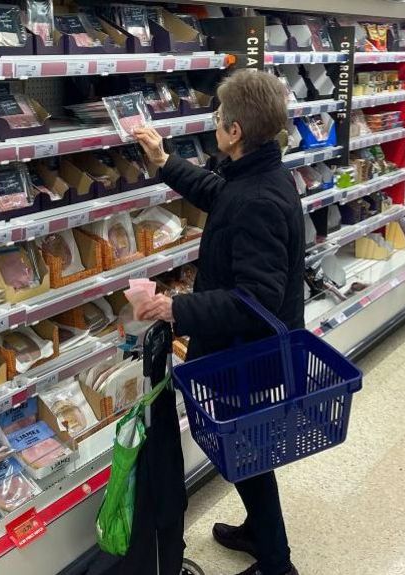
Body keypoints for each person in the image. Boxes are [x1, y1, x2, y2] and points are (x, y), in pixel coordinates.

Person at [131, 69, 302, 575]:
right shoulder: (257, 176)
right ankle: (261, 533)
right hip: (244, 349)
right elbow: (223, 198)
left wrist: (176, 308)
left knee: (243, 447)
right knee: (244, 444)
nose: (214, 122)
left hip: (244, 354)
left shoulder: (259, 199)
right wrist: (165, 162)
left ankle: (277, 563)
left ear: (234, 132)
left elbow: (257, 299)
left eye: (218, 117)